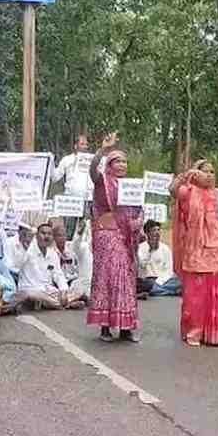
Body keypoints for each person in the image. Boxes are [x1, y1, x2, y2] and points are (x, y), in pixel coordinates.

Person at [171, 162, 218, 347]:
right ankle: (194, 333)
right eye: (204, 171)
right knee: (197, 295)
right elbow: (172, 190)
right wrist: (185, 175)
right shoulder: (188, 192)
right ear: (195, 173)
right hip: (196, 250)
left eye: (212, 172)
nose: (209, 175)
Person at [86, 132, 143, 343]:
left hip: (126, 237)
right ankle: (105, 327)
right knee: (109, 278)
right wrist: (103, 150)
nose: (121, 165)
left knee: (126, 279)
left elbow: (139, 210)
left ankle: (126, 327)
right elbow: (92, 170)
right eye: (117, 161)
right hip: (107, 234)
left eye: (124, 161)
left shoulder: (131, 186)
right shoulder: (102, 181)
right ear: (109, 164)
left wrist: (139, 223)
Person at [17, 223, 84, 310]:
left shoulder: (52, 254)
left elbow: (58, 275)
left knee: (79, 290)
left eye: (49, 234)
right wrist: (25, 246)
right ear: (37, 235)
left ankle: (57, 303)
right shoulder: (28, 251)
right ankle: (66, 304)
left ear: (52, 237)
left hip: (49, 290)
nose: (46, 236)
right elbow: (17, 264)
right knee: (33, 295)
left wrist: (63, 291)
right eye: (43, 233)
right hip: (31, 289)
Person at [52, 134, 92, 238]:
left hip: (88, 200)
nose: (85, 146)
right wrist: (49, 162)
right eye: (82, 144)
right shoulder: (67, 160)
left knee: (85, 233)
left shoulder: (92, 160)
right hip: (71, 200)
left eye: (86, 144)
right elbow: (55, 177)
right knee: (68, 232)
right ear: (75, 146)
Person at [136, 220, 181, 298]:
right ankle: (165, 291)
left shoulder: (165, 248)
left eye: (158, 230)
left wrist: (159, 282)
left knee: (179, 282)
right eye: (154, 230)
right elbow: (141, 266)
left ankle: (154, 291)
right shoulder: (140, 248)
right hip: (146, 279)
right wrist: (150, 252)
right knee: (144, 284)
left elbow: (169, 270)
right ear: (147, 233)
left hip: (162, 279)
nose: (157, 233)